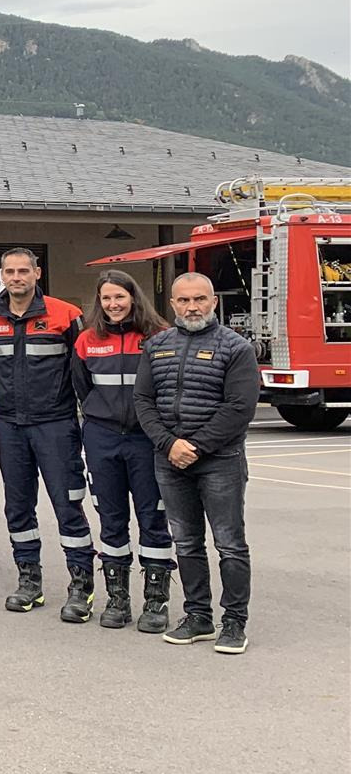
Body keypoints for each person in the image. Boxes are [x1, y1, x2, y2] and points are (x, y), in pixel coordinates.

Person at [133, 273, 258, 654]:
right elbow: (143, 401)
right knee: (186, 543)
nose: (192, 307)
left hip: (220, 461)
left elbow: (240, 407)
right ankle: (198, 616)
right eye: (184, 300)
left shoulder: (237, 348)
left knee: (230, 544)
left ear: (214, 302)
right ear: (172, 304)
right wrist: (169, 445)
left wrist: (196, 447)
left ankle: (234, 622)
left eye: (200, 299)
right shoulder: (156, 346)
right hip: (170, 461)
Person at [0, 248, 95, 621]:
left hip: (56, 426)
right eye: (10, 271)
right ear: (2, 275)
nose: (17, 277)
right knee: (18, 506)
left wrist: (89, 425)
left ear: (37, 273)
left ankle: (81, 585)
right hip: (10, 426)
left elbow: (83, 376)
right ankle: (29, 580)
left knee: (67, 505)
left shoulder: (65, 315)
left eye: (23, 270)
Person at [74, 270, 176, 631]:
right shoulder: (87, 340)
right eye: (106, 298)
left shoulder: (159, 336)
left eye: (120, 296)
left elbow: (169, 388)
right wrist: (101, 420)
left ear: (134, 297)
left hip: (147, 441)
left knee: (153, 519)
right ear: (99, 303)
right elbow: (82, 389)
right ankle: (117, 600)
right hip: (102, 440)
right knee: (112, 521)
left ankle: (155, 602)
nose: (113, 304)